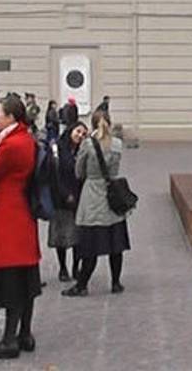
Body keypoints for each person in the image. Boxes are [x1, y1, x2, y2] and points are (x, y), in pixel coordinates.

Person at [62, 110, 130, 297]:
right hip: (112, 196)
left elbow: (79, 171)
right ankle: (115, 283)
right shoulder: (117, 144)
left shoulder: (87, 144)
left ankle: (82, 285)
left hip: (92, 196)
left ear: (92, 124)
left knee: (90, 245)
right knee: (115, 245)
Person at [0, 94, 41, 359]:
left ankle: (9, 340)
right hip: (21, 216)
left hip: (7, 215)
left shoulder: (11, 145)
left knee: (10, 282)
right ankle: (24, 334)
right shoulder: (25, 139)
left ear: (11, 116)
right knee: (26, 280)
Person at [47, 121, 89, 282]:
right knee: (61, 236)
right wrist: (65, 194)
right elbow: (54, 174)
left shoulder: (82, 150)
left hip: (79, 197)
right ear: (71, 130)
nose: (80, 136)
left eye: (83, 134)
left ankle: (76, 267)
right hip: (60, 198)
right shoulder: (57, 148)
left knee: (78, 235)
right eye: (78, 131)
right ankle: (63, 267)